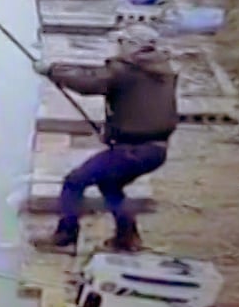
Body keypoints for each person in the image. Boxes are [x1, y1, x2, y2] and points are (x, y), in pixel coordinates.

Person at [31, 24, 179, 251]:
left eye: (121, 42)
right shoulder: (163, 71)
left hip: (133, 151)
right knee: (109, 186)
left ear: (132, 46)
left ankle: (65, 237)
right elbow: (137, 104)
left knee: (74, 181)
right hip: (155, 151)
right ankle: (127, 238)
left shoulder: (125, 71)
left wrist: (52, 71)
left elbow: (89, 83)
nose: (117, 47)